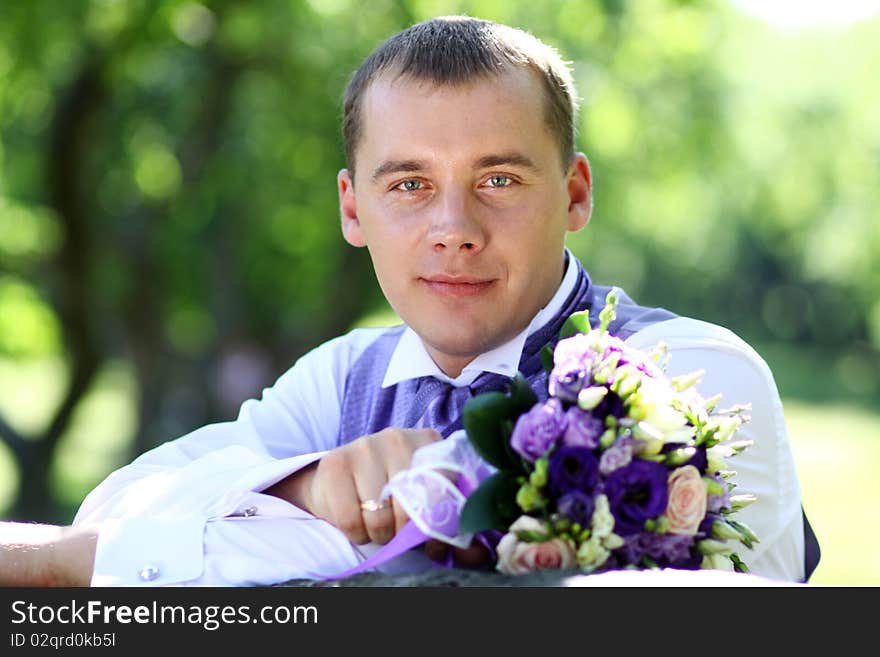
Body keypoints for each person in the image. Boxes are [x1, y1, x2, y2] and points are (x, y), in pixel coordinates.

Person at [0, 15, 818, 587]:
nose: (453, 228)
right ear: (353, 209)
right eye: (410, 184)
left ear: (573, 194)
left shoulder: (697, 379)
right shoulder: (344, 377)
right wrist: (301, 491)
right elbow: (113, 508)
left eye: (498, 180)